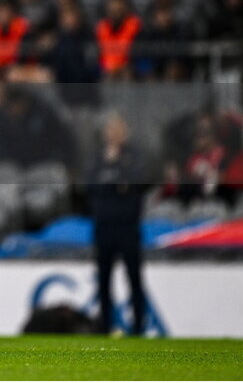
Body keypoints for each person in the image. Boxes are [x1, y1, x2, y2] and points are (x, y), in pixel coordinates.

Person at [86, 113, 150, 336]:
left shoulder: (134, 157)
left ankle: (139, 325)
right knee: (103, 281)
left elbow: (135, 185)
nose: (113, 135)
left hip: (127, 226)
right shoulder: (97, 159)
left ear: (125, 133)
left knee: (134, 279)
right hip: (104, 226)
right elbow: (92, 187)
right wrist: (116, 183)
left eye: (117, 130)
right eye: (110, 130)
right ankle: (105, 326)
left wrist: (113, 175)